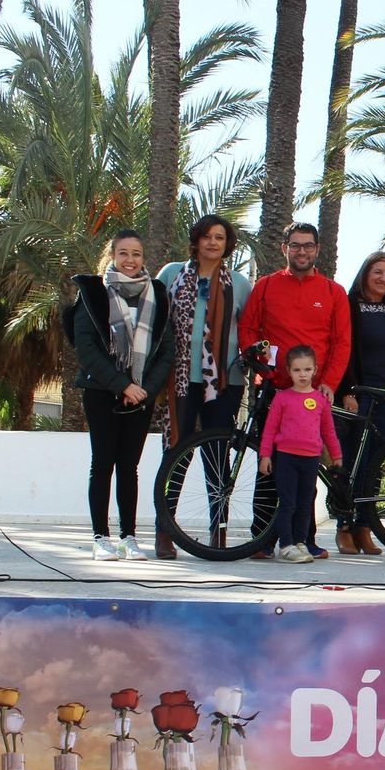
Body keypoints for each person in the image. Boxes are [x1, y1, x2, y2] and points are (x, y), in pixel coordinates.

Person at [238, 221, 352, 558]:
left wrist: (329, 383)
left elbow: (342, 343)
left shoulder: (333, 292)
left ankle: (306, 539)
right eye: (295, 245)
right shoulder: (266, 285)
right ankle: (262, 539)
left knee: (308, 468)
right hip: (274, 391)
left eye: (308, 245)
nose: (301, 251)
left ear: (317, 250)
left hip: (313, 396)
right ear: (284, 248)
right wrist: (259, 362)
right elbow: (248, 329)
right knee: (267, 461)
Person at [71, 230, 174, 561]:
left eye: (137, 254)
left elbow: (166, 350)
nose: (130, 260)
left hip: (140, 397)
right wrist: (122, 385)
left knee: (129, 467)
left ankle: (129, 537)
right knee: (102, 464)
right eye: (124, 253)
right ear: (112, 256)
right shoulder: (93, 294)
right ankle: (101, 538)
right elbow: (86, 348)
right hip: (102, 391)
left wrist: (144, 390)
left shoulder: (157, 295)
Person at [155, 213, 253, 558]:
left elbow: (250, 332)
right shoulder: (170, 274)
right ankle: (165, 531)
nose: (213, 243)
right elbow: (154, 324)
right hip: (180, 381)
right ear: (196, 240)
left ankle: (219, 532)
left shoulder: (239, 284)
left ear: (227, 246)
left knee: (217, 459)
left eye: (220, 238)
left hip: (225, 384)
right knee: (176, 456)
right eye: (208, 236)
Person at [335, 251, 385, 555]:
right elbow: (343, 348)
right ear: (365, 273)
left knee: (374, 465)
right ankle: (344, 526)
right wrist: (346, 390)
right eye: (377, 272)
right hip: (357, 395)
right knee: (349, 463)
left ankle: (365, 527)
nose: (383, 279)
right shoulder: (350, 305)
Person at [258, 346, 343, 563]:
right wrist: (266, 455)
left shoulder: (320, 400)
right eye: (297, 370)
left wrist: (336, 456)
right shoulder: (282, 398)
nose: (302, 374)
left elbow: (328, 431)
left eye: (307, 369)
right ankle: (286, 544)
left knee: (306, 503)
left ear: (315, 370)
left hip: (311, 459)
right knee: (288, 503)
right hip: (286, 458)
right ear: (288, 371)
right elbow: (270, 429)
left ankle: (300, 542)